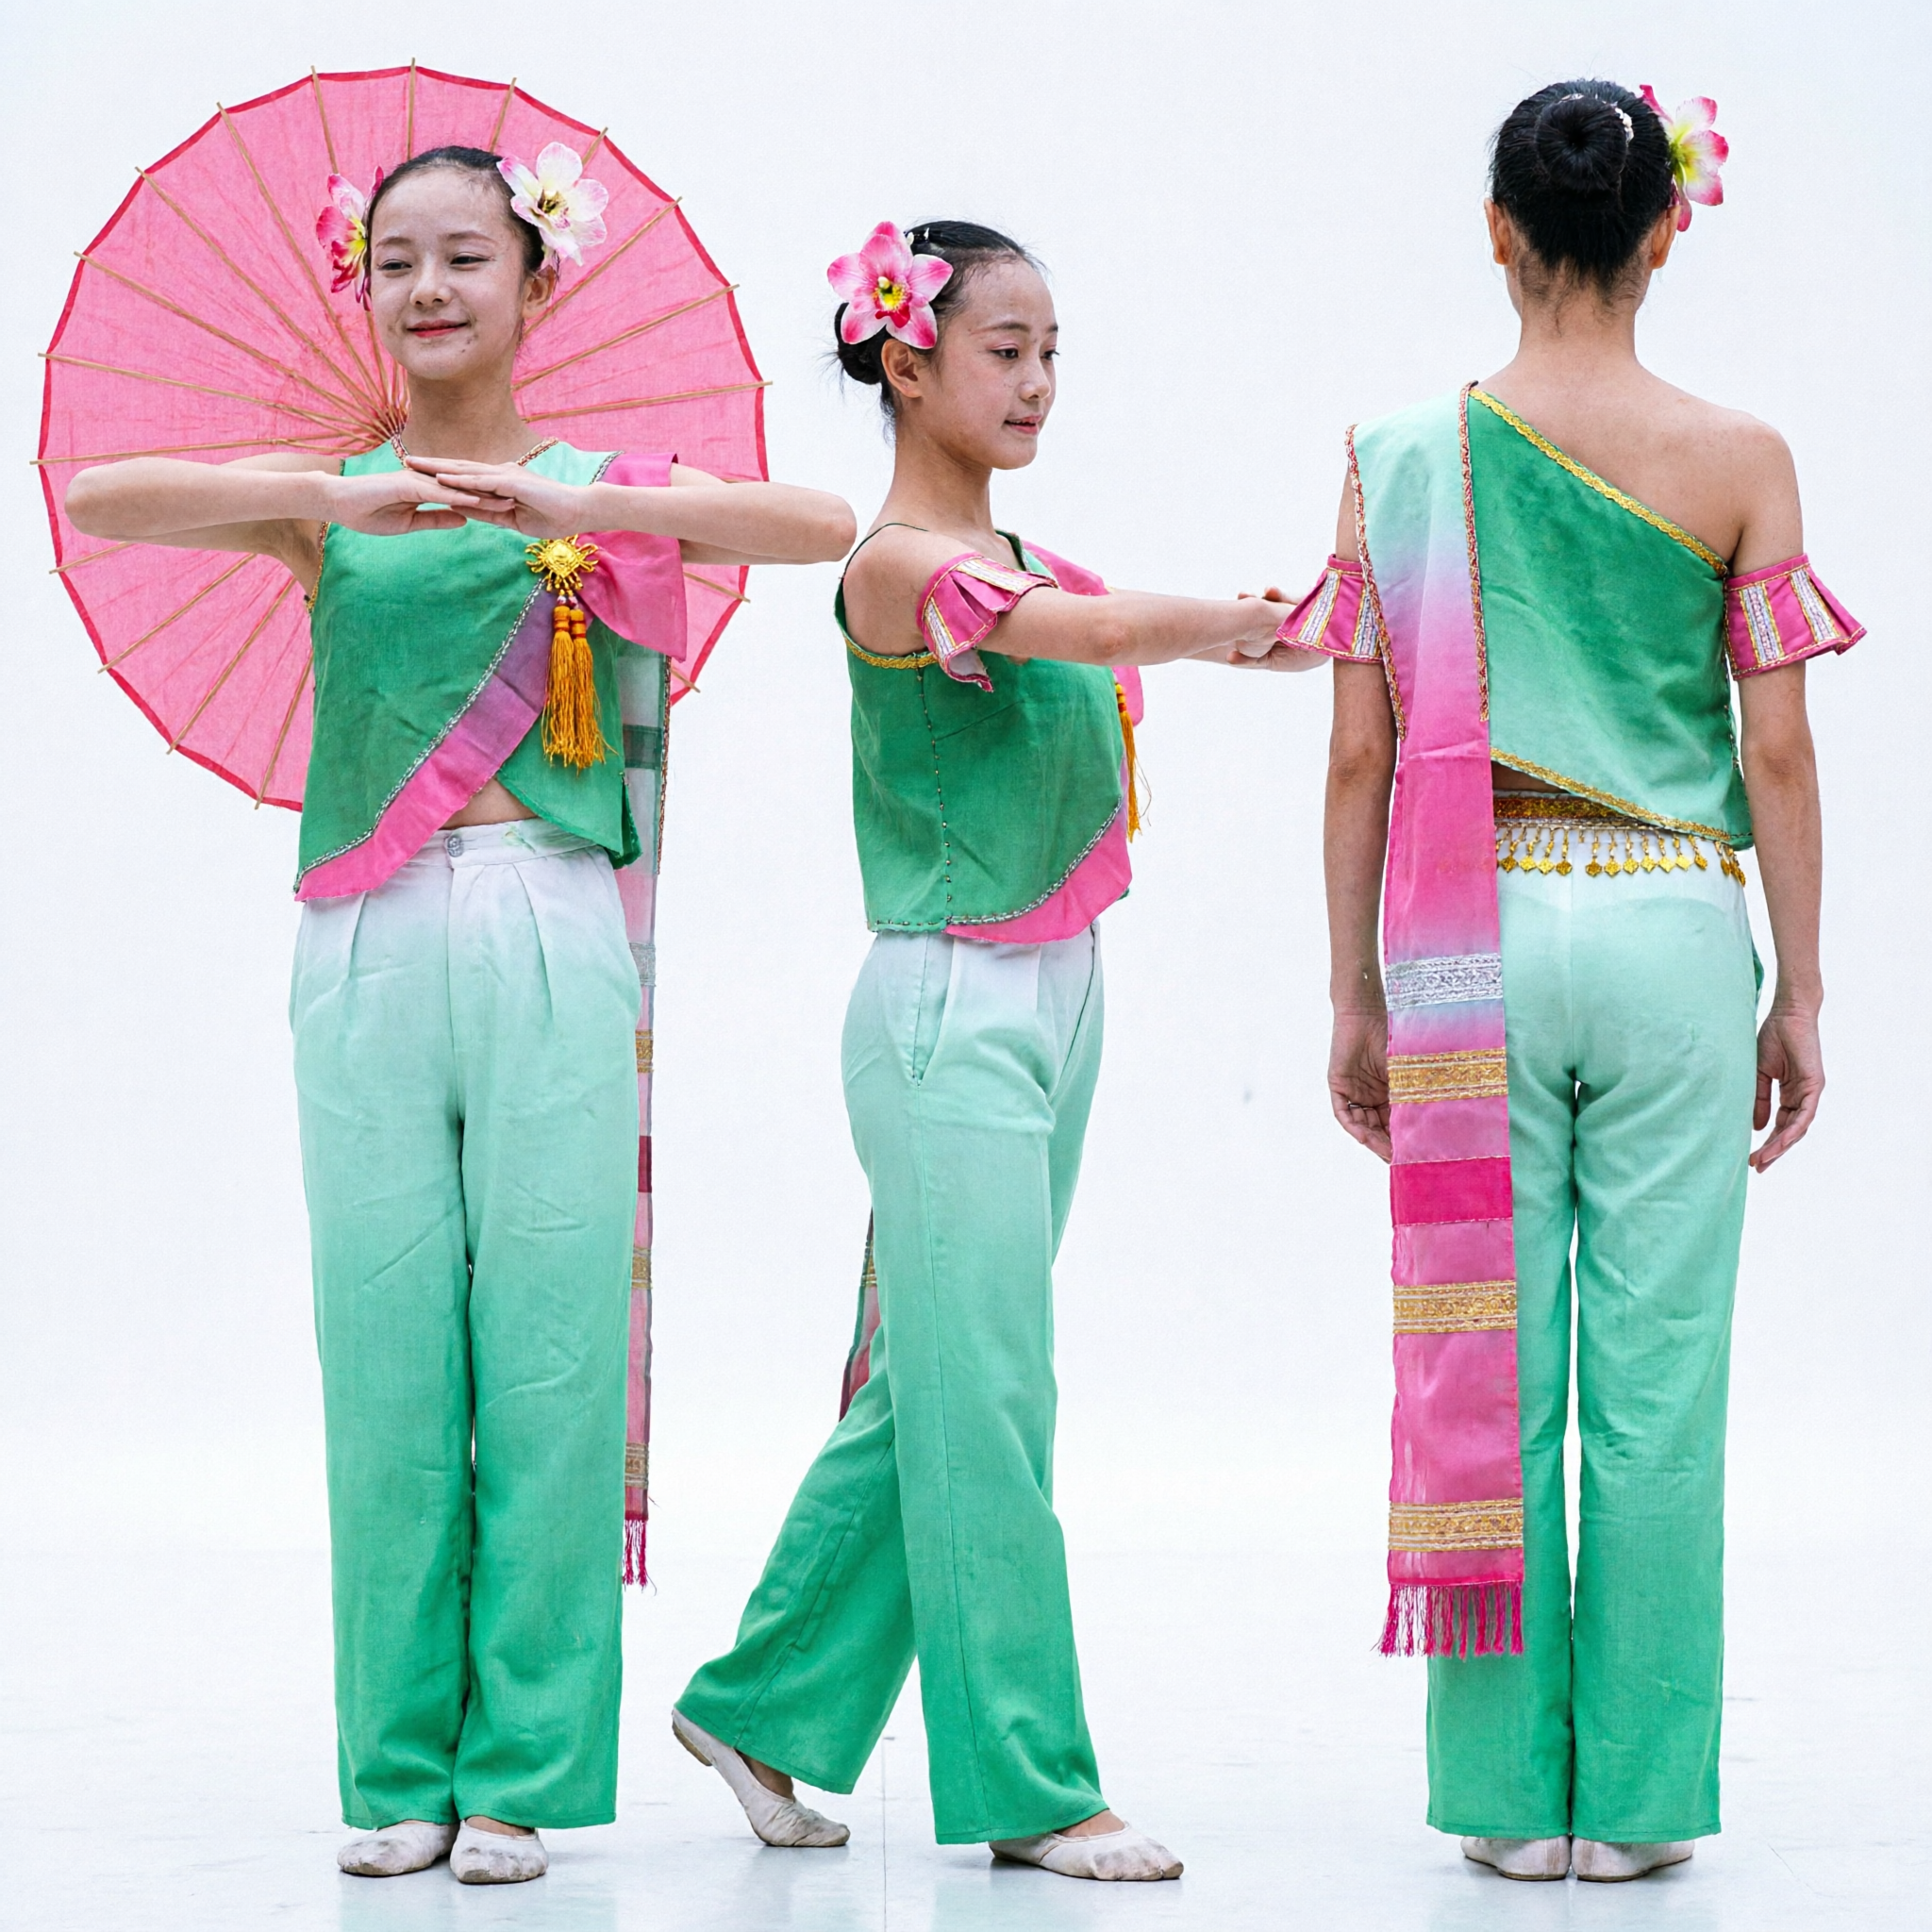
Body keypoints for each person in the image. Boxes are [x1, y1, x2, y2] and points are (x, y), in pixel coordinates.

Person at [65, 143, 855, 1886]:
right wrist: (333, 506)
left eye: (465, 259)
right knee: (386, 1357)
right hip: (358, 935)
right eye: (395, 261)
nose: (429, 290)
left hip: (552, 923)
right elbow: (101, 493)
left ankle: (525, 1773)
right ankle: (400, 1763)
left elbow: (821, 530)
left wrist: (584, 516)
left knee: (555, 1351)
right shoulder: (328, 494)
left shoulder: (596, 482)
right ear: (366, 288)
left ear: (533, 281)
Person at [669, 219, 1317, 1883]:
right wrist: (1232, 626)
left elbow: (1091, 623)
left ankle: (762, 1701)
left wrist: (1258, 627)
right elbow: (1068, 636)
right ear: (905, 358)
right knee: (996, 1396)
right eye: (1001, 348)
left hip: (1053, 998)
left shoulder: (1019, 546)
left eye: (1049, 352)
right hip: (949, 1008)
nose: (1033, 380)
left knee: (937, 1388)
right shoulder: (897, 563)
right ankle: (1032, 1784)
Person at [1267, 81, 1860, 1884]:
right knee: (1661, 1387)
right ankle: (1650, 1804)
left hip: (1473, 941)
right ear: (1668, 230)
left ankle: (1511, 1802)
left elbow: (1360, 760)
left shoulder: (1398, 458)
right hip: (1677, 925)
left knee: (1486, 1369)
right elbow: (1778, 759)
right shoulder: (1742, 458)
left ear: (1501, 234)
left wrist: (1355, 998)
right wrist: (1804, 989)